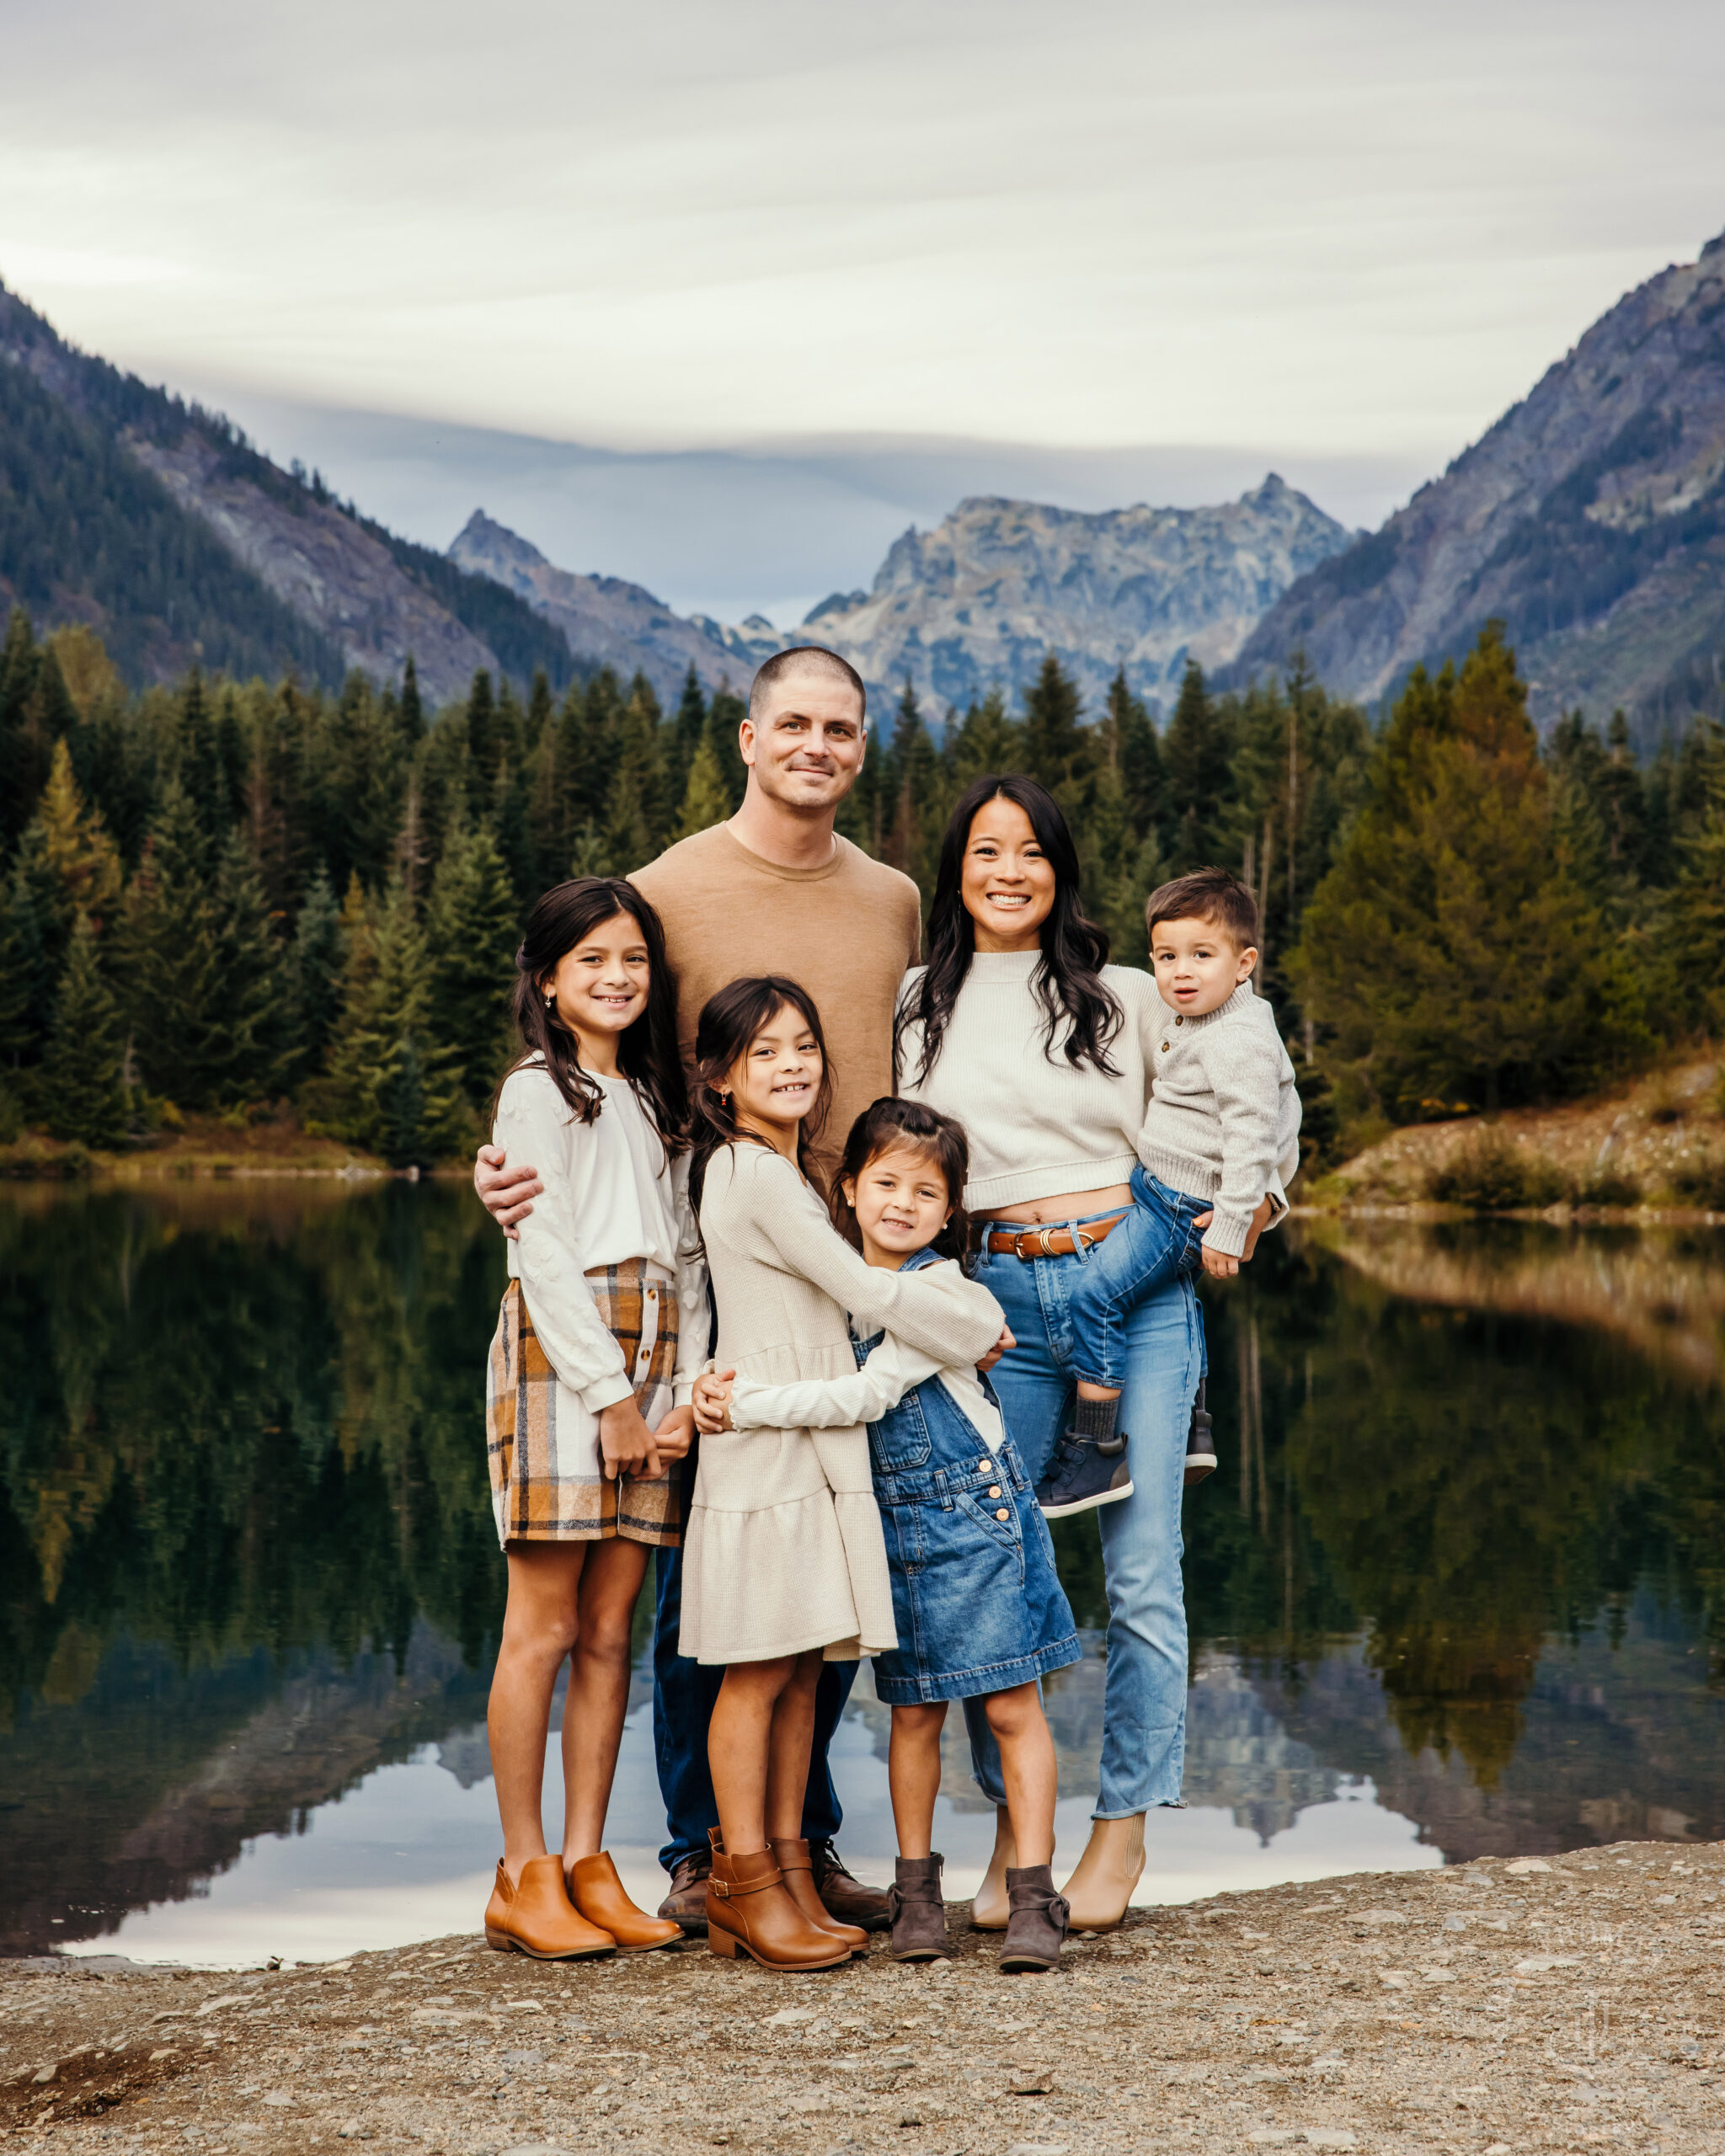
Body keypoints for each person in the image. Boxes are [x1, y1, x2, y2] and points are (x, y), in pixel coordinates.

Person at [474, 645, 921, 1933]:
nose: (817, 746)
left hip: (842, 1260)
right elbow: (583, 1053)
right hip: (716, 1263)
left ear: (859, 746)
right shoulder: (670, 890)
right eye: (795, 723)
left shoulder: (892, 898)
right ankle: (699, 1846)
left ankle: (794, 1838)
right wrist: (503, 1175)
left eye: (841, 727)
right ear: (746, 736)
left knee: (825, 1554)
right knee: (709, 1573)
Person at [896, 774, 1282, 1932]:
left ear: (1060, 869)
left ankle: (1122, 1832)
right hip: (996, 1299)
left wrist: (1258, 1205)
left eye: (1030, 851)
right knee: (993, 1572)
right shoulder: (919, 1000)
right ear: (956, 868)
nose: (1007, 871)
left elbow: (1260, 1093)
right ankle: (1022, 1833)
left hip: (1139, 1283)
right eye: (984, 851)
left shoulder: (1129, 995)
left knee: (1144, 1571)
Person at [697, 1097, 1081, 1973]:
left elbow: (862, 1399)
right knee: (911, 1713)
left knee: (1011, 1707)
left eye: (926, 1191)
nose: (902, 1203)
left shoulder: (937, 1292)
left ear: (951, 1212)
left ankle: (1032, 1894)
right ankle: (915, 1896)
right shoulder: (832, 1294)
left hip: (975, 1518)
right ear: (847, 1191)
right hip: (890, 1527)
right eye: (884, 1184)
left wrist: (741, 1406)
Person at [681, 982, 1004, 1970]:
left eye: (804, 1046)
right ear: (720, 1077)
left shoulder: (791, 1174)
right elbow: (865, 1289)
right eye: (764, 1051)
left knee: (796, 1670)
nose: (791, 1064)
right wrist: (975, 1324)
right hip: (771, 1435)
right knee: (756, 1670)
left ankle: (784, 1869)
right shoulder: (751, 1170)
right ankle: (742, 1882)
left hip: (806, 1432)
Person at [481, 878, 701, 1960]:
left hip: (656, 1352)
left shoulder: (655, 1097)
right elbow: (542, 1251)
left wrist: (680, 1392)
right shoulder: (539, 1090)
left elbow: (687, 1255)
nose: (616, 978)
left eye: (633, 961)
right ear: (548, 981)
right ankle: (521, 1871)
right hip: (567, 1356)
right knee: (547, 1626)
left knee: (614, 1628)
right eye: (592, 962)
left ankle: (588, 1860)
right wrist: (610, 1397)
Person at [1051, 867, 1301, 1502]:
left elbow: (1255, 1136)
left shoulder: (1237, 1039)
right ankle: (1194, 1424)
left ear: (1244, 963)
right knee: (1174, 1301)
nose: (1180, 973)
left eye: (1201, 956)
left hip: (1181, 1209)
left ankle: (1096, 1449)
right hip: (1159, 1190)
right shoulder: (1211, 1019)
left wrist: (1233, 1220)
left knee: (1098, 1298)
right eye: (1166, 956)